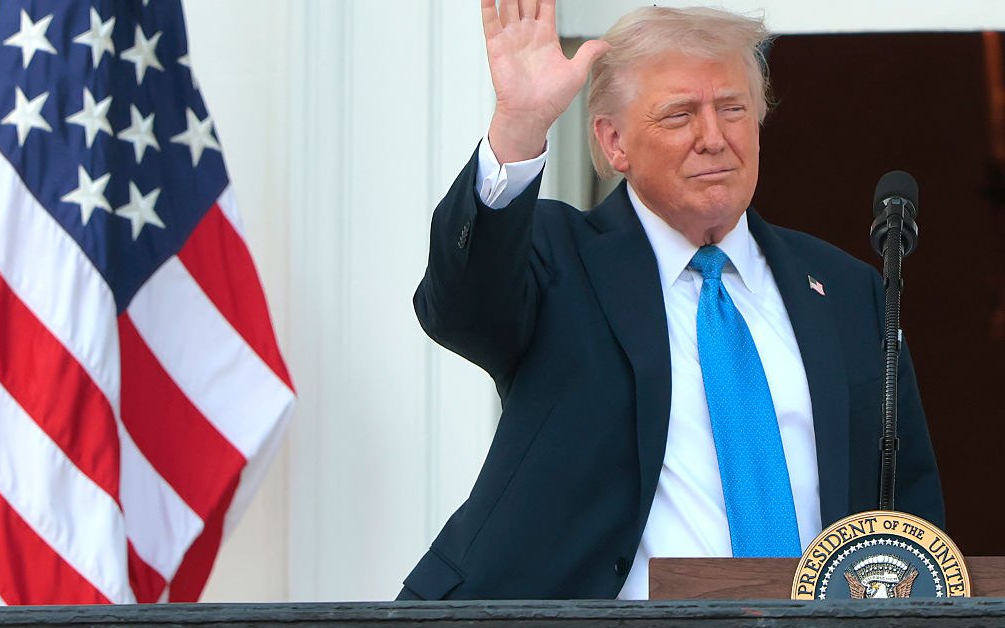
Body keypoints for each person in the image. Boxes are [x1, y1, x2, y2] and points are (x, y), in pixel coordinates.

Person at [399, 0, 943, 600]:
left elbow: (910, 513)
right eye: (680, 114)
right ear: (615, 143)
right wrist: (519, 128)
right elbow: (463, 308)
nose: (713, 138)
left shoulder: (846, 290)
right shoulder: (559, 259)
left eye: (733, 109)